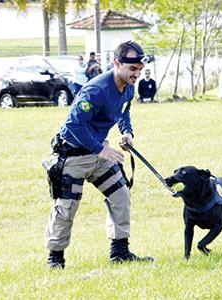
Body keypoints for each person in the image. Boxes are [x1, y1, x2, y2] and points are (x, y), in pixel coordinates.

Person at [44, 41, 155, 269]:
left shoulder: (129, 87)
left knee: (121, 195)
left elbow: (124, 112)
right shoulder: (96, 89)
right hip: (73, 154)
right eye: (133, 69)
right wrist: (102, 149)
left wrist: (127, 133)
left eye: (140, 69)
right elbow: (74, 125)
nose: (137, 74)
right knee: (66, 207)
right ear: (116, 63)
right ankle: (55, 260)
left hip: (99, 154)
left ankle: (120, 253)